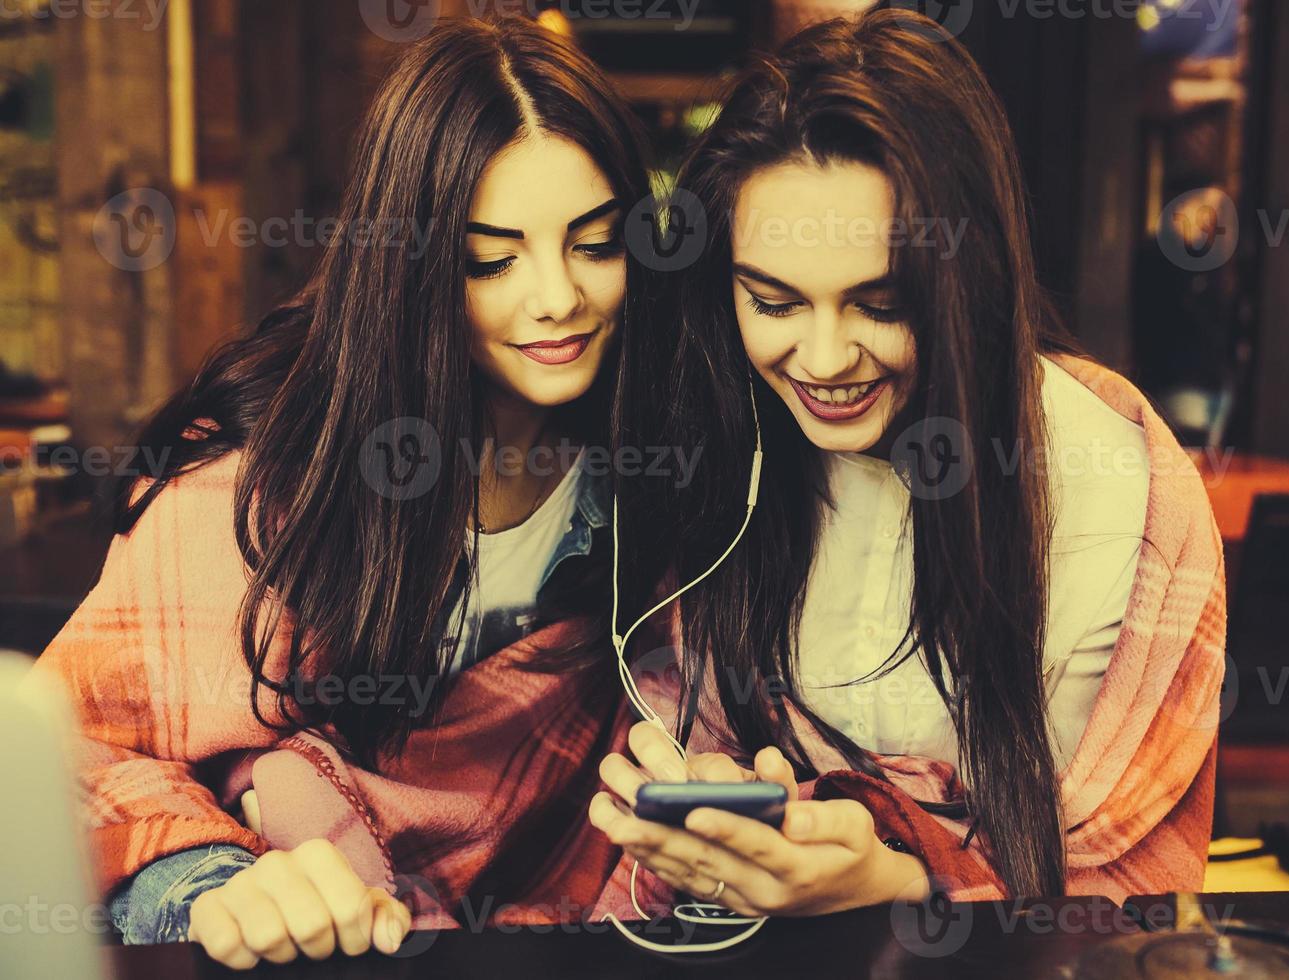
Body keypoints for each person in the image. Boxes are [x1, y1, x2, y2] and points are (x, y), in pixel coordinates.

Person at [32, 16, 651, 967]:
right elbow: (65, 758)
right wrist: (214, 886)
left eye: (595, 244)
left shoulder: (664, 463)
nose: (557, 297)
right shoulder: (263, 477)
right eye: (493, 259)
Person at [589, 8, 1226, 919]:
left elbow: (1105, 892)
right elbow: (687, 726)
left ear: (969, 285)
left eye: (880, 305)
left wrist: (895, 884)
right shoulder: (724, 435)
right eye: (773, 301)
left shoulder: (1109, 489)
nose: (822, 359)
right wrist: (688, 795)